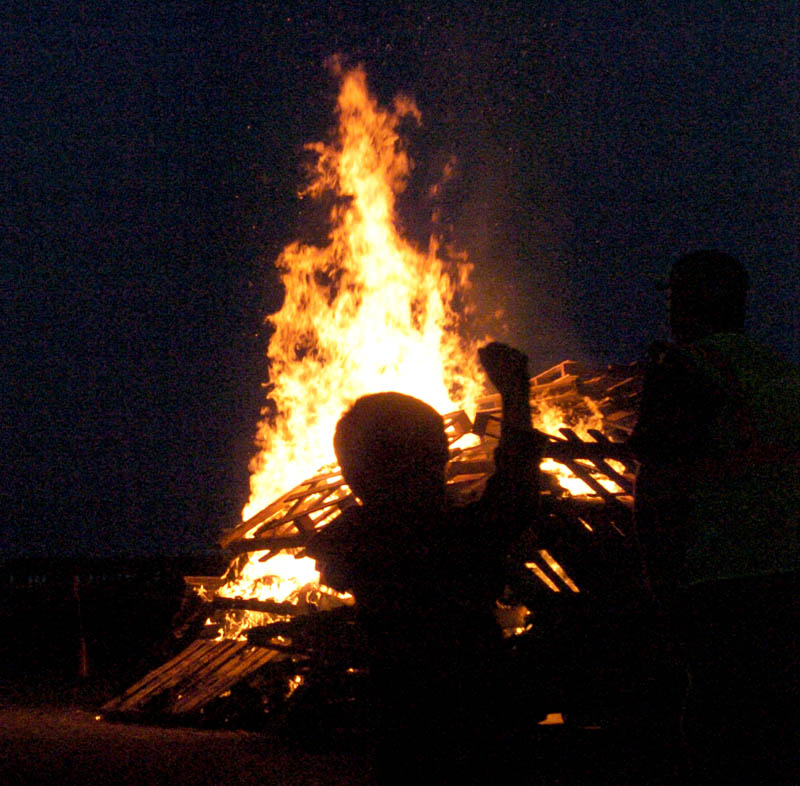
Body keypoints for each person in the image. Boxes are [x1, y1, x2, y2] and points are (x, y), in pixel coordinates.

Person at [307, 342, 545, 785]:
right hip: (477, 719)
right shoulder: (445, 540)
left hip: (400, 726)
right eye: (436, 452)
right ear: (423, 463)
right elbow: (514, 494)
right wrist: (514, 394)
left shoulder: (357, 543)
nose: (446, 460)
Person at [630, 250, 799, 784]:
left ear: (681, 303)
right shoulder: (781, 373)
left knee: (721, 730)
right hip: (790, 575)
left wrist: (659, 580)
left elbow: (660, 481)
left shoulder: (683, 369)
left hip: (721, 578)